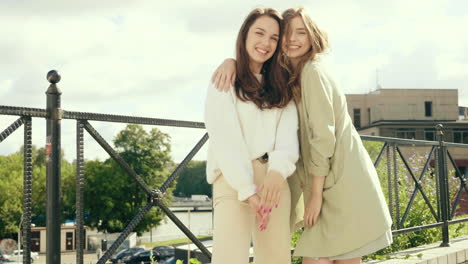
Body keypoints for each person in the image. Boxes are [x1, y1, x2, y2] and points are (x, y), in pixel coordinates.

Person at [211, 7, 392, 264]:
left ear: (312, 36)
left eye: (301, 32)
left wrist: (314, 195)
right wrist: (231, 62)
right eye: (286, 34)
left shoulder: (311, 73)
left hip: (334, 179)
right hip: (328, 176)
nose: (291, 39)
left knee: (325, 254)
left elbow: (321, 137)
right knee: (339, 255)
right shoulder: (290, 75)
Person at [204, 7, 299, 264]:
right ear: (244, 34)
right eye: (259, 33)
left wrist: (277, 174)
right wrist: (247, 189)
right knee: (229, 258)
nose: (265, 43)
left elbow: (288, 138)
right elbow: (225, 138)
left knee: (275, 259)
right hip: (233, 180)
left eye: (273, 38)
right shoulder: (225, 78)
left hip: (273, 181)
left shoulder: (282, 86)